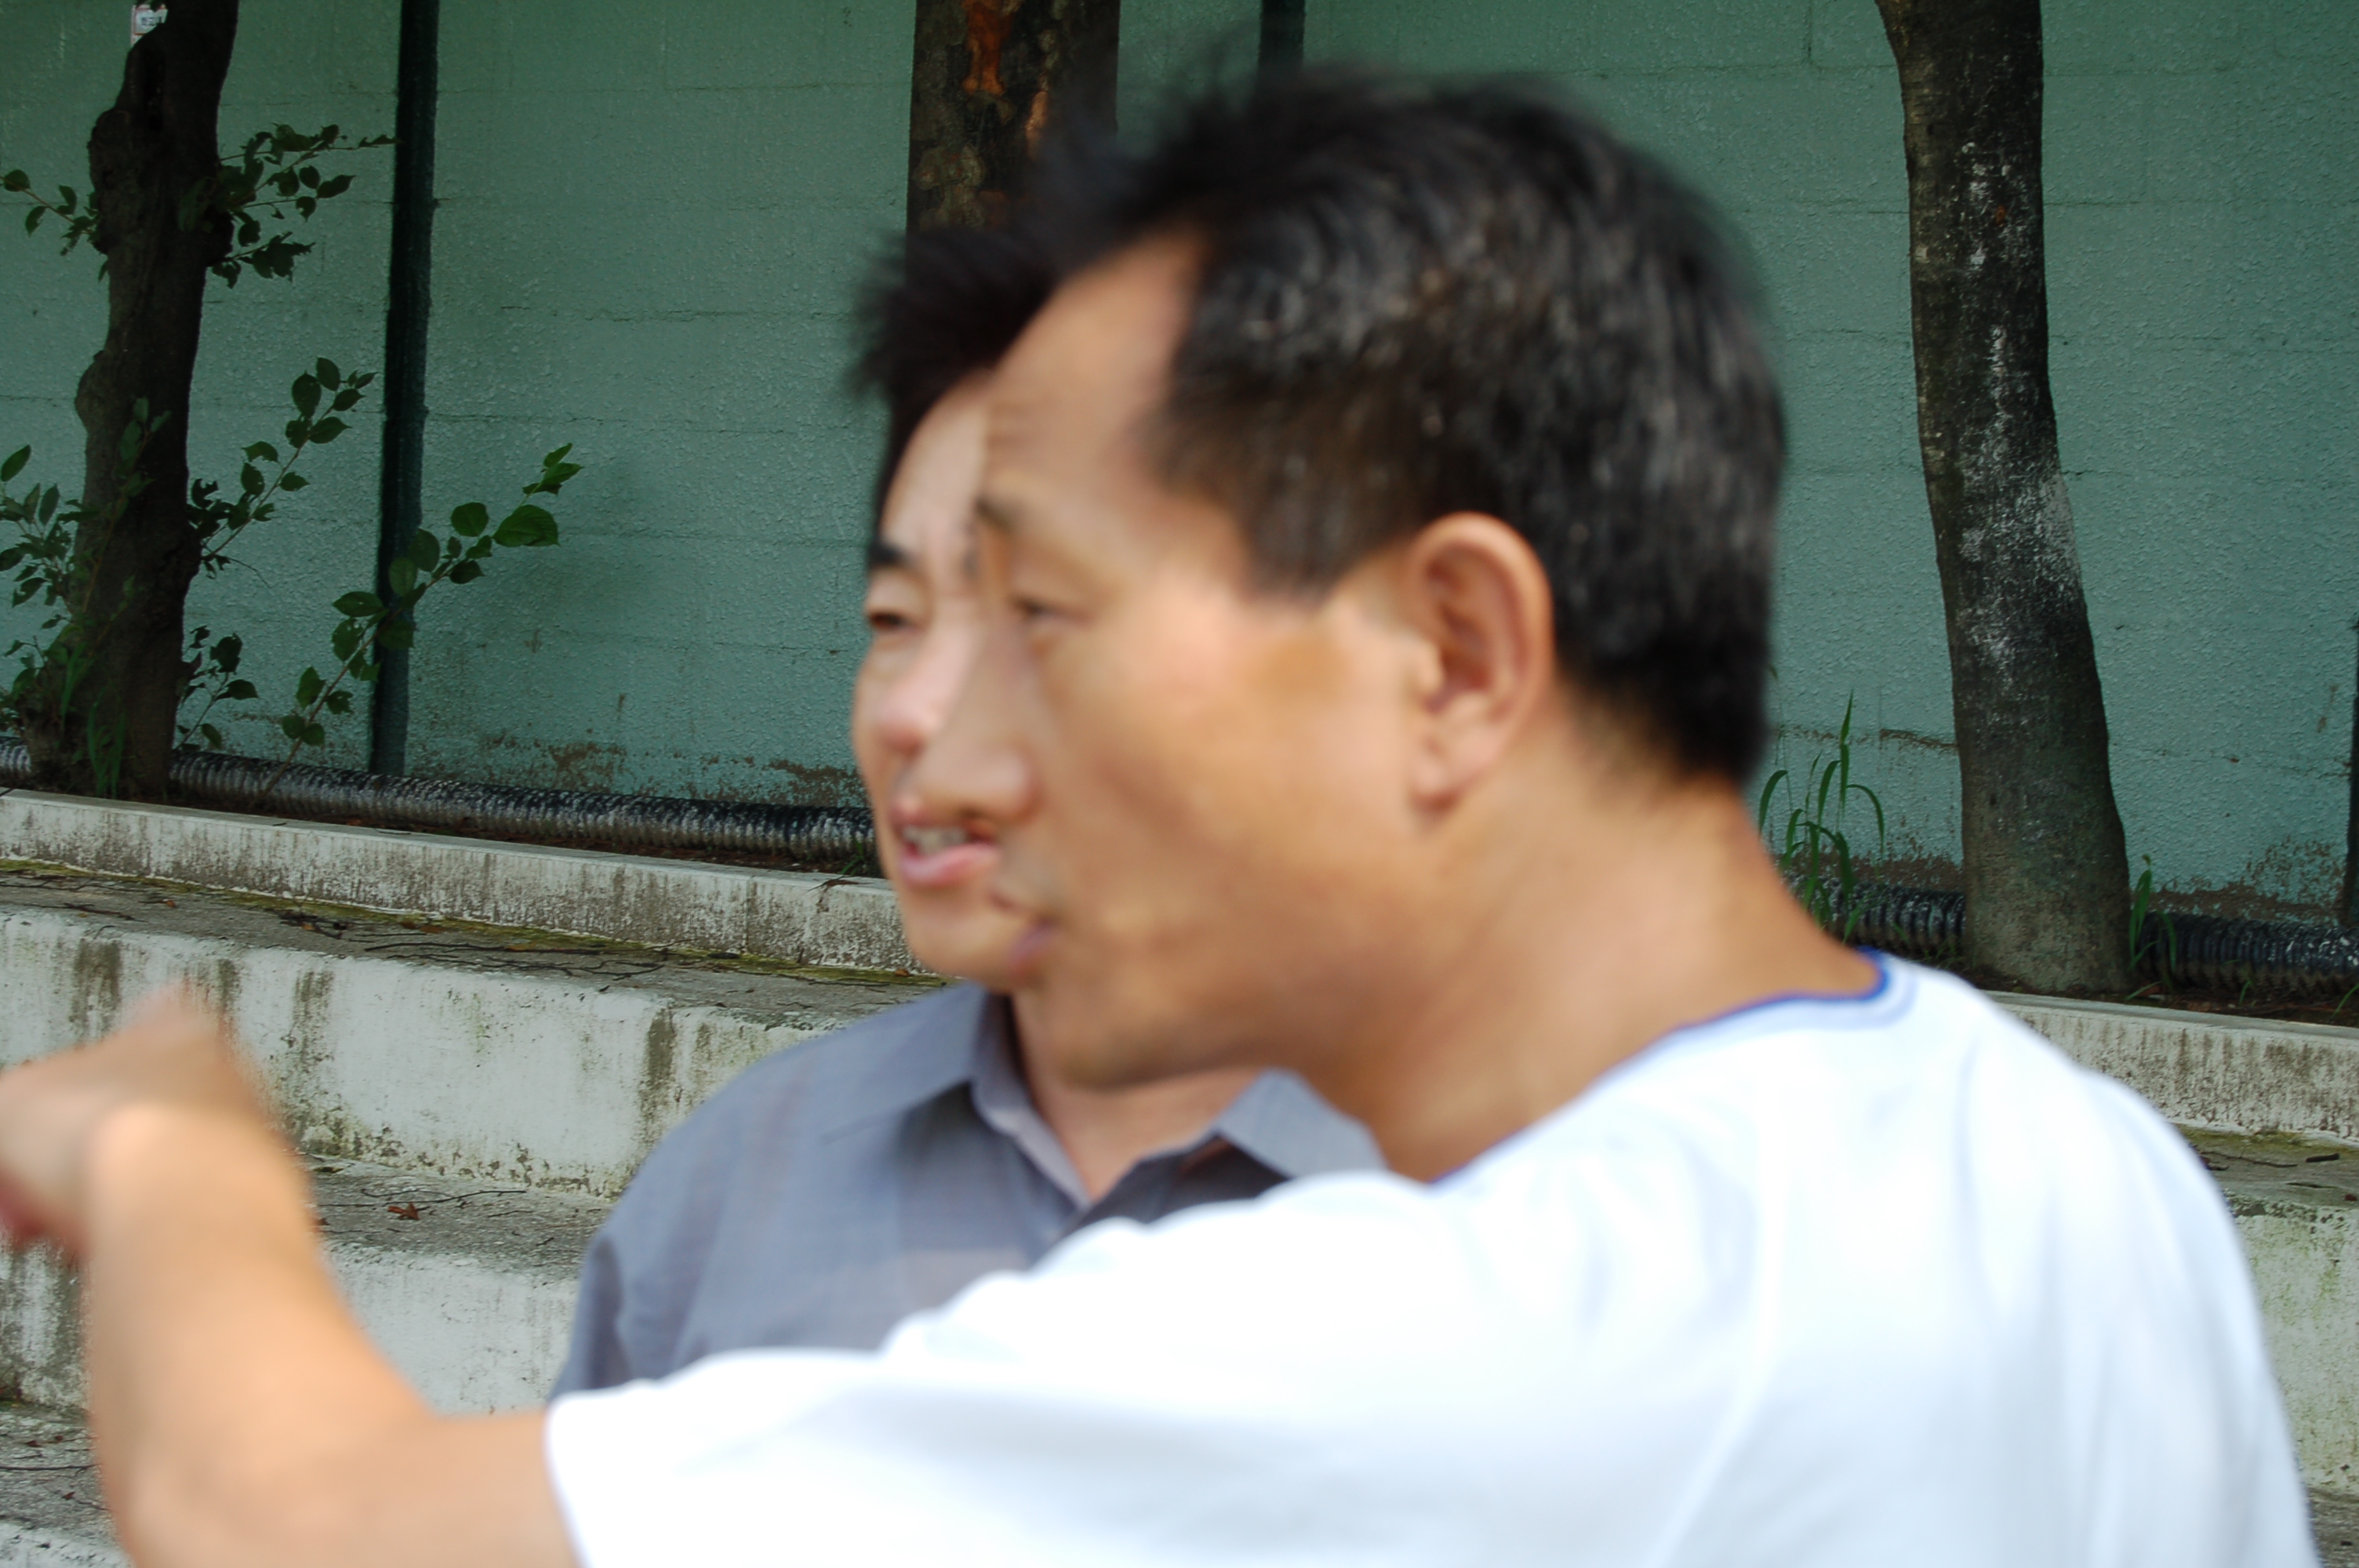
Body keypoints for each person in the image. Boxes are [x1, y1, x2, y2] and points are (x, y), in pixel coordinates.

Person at [0, 72, 2313, 1567]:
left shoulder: (1455, 1339)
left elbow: (291, 1512)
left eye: (1050, 615)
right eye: (911, 617)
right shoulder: (2077, 1178)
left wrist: (175, 1144)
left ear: (1454, 654)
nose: (961, 753)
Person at [552, 232, 1376, 1390]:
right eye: (895, 619)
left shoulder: (1524, 1224)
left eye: (1032, 610)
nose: (914, 712)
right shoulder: (736, 1192)